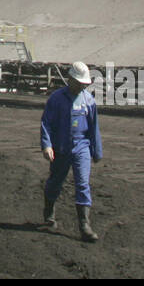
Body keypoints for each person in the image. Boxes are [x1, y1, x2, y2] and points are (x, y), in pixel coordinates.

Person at [40, 61, 102, 242]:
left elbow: (94, 127)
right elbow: (46, 123)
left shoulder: (88, 101)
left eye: (84, 83)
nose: (81, 86)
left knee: (83, 183)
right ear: (70, 79)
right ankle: (49, 218)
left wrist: (96, 151)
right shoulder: (56, 99)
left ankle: (84, 226)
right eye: (79, 82)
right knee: (55, 181)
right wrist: (47, 145)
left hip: (81, 147)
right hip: (60, 148)